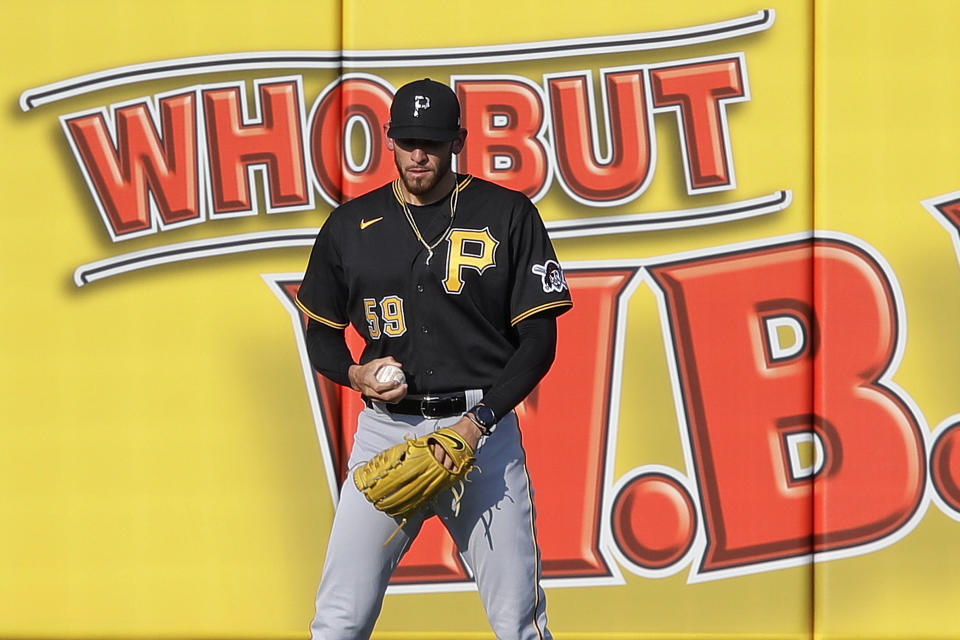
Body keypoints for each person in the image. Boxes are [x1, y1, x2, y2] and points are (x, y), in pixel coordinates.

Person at [295, 78, 572, 640]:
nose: (419, 153)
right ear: (388, 141)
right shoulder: (351, 225)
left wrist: (478, 423)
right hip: (386, 434)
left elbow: (539, 341)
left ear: (457, 142)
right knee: (338, 619)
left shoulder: (507, 213)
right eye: (408, 140)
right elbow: (320, 333)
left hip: (482, 432)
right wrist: (354, 372)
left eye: (433, 141)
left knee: (518, 619)